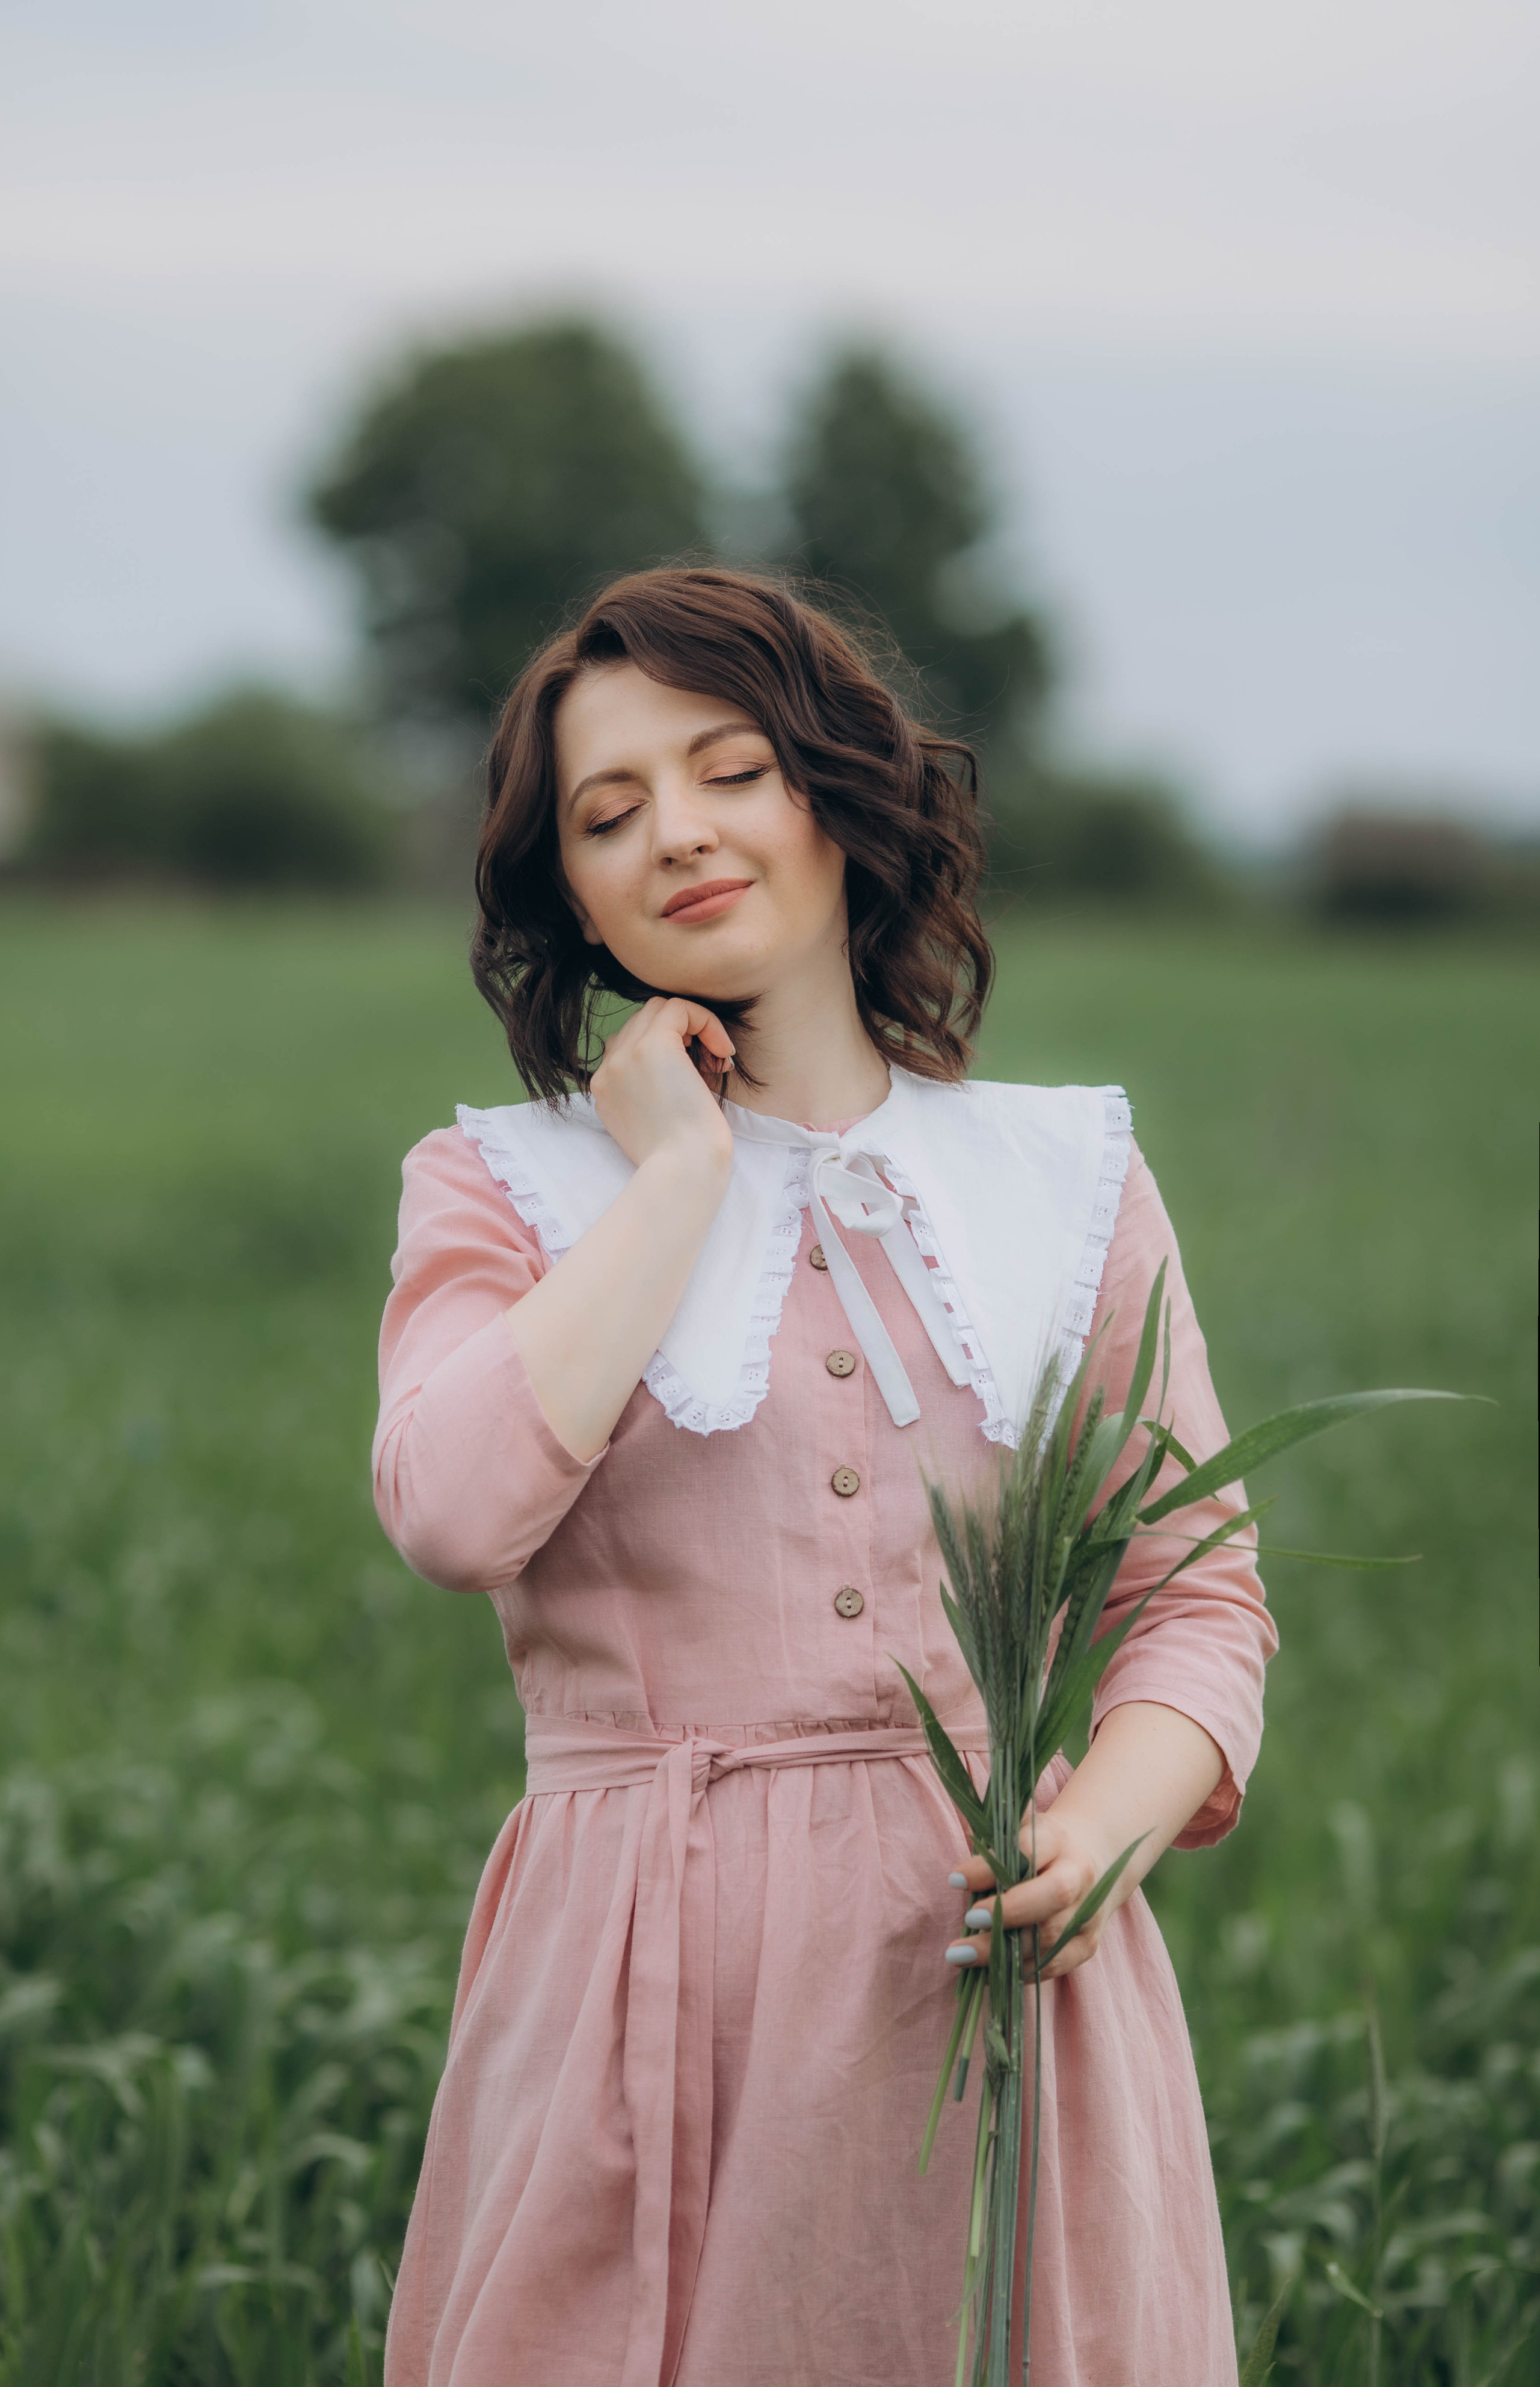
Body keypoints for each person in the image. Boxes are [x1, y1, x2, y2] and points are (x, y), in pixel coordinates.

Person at [372, 567, 1276, 2387]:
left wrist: (1102, 1826)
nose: (678, 836)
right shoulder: (498, 1189)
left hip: (1002, 1976)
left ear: (839, 800)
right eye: (608, 816)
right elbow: (454, 1512)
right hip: (647, 1986)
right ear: (570, 891)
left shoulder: (1063, 1182)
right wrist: (679, 1181)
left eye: (730, 771)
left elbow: (1198, 1595)